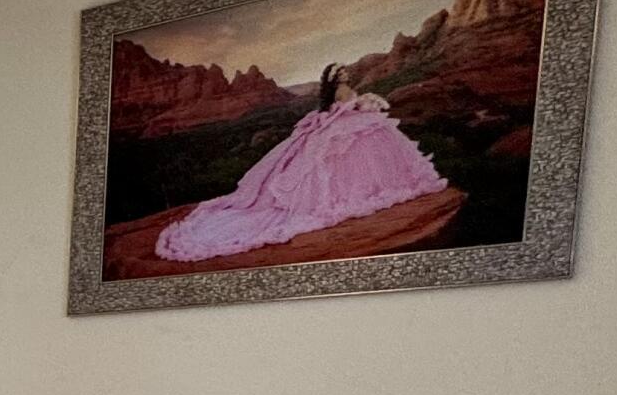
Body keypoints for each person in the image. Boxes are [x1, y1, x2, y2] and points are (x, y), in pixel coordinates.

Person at [155, 68, 446, 261]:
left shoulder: (338, 91)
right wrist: (363, 103)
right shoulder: (344, 92)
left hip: (340, 125)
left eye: (345, 71)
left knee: (350, 159)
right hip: (344, 125)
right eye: (341, 72)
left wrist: (364, 103)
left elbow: (335, 108)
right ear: (335, 79)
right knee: (348, 163)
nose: (345, 74)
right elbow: (343, 107)